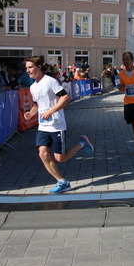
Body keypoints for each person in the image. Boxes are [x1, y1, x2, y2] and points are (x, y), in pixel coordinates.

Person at [23, 56, 94, 194]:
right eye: (26, 68)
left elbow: (65, 97)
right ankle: (62, 182)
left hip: (56, 125)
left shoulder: (50, 81)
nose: (28, 70)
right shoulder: (33, 87)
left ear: (38, 67)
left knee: (60, 158)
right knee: (43, 154)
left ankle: (82, 143)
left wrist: (51, 111)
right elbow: (37, 105)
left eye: (30, 67)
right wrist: (30, 114)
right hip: (43, 126)